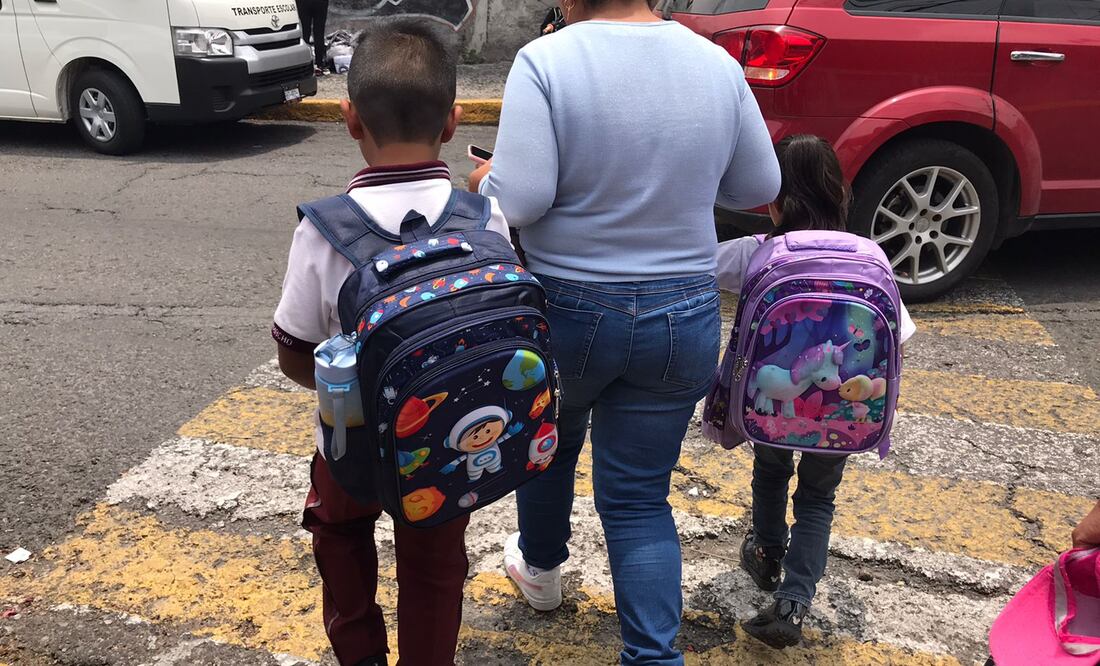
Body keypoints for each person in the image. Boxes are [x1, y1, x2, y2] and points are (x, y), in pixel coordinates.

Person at [468, 0, 781, 662]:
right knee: (639, 499)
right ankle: (652, 656)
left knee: (549, 442)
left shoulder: (546, 61)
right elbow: (760, 181)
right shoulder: (715, 63)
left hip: (570, 310)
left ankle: (543, 572)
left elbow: (521, 199)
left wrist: (485, 179)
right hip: (682, 313)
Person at [273, 18, 510, 666]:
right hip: (450, 440)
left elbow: (294, 352)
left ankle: (360, 654)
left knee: (340, 532)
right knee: (435, 565)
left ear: (350, 119)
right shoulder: (485, 215)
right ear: (454, 121)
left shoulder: (323, 231)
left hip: (352, 443)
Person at [715, 134, 917, 649]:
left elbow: (691, 266)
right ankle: (794, 601)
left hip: (775, 411)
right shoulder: (872, 257)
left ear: (775, 199)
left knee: (770, 471)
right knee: (818, 499)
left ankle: (764, 554)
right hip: (844, 415)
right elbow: (898, 334)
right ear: (840, 195)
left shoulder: (756, 252)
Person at [296, 0, 330, 76]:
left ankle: (304, 65)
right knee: (319, 33)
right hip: (320, 3)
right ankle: (319, 65)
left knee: (305, 32)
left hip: (303, 3)